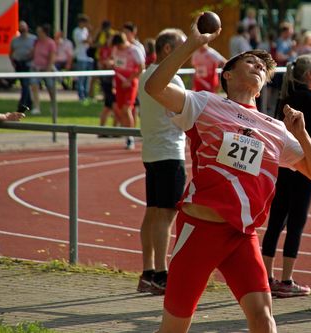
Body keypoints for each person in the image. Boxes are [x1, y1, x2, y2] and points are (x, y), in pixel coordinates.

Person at [144, 13, 311, 333]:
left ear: (263, 87)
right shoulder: (203, 104)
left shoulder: (275, 129)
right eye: (250, 62)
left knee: (263, 319)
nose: (259, 67)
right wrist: (193, 44)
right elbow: (155, 87)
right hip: (200, 230)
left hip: (242, 236)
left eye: (263, 67)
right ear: (227, 74)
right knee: (175, 326)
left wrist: (301, 135)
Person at [262, 54, 311, 298]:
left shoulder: (287, 96)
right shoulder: (310, 100)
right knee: (296, 223)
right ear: (309, 75)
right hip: (303, 168)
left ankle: (267, 277)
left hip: (283, 167)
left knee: (276, 221)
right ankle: (286, 279)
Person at [136, 28, 187, 296]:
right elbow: (183, 115)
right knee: (165, 216)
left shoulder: (145, 75)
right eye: (181, 47)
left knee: (153, 212)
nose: (186, 53)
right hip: (169, 151)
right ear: (167, 50)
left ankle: (147, 273)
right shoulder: (173, 80)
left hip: (152, 152)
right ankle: (161, 273)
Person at [111, 32, 145, 149]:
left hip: (130, 83)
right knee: (120, 110)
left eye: (119, 46)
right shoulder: (115, 49)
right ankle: (127, 135)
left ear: (123, 42)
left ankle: (130, 138)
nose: (118, 48)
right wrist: (115, 83)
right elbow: (116, 65)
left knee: (127, 109)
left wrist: (129, 79)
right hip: (119, 82)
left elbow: (141, 67)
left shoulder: (135, 50)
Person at [9, 21, 36, 112]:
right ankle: (29, 103)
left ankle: (22, 104)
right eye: (21, 27)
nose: (22, 29)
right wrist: (13, 62)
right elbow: (11, 52)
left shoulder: (33, 39)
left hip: (28, 64)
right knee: (24, 85)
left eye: (24, 27)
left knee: (25, 84)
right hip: (18, 64)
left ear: (27, 28)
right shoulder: (15, 40)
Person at [30, 24, 56, 115]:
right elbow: (33, 54)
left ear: (44, 32)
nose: (38, 33)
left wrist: (48, 70)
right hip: (35, 68)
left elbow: (52, 57)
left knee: (51, 88)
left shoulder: (51, 43)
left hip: (46, 69)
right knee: (34, 86)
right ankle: (36, 107)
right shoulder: (36, 42)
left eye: (39, 32)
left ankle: (53, 106)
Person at [72, 14, 93, 103]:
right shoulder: (77, 31)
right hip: (80, 57)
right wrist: (90, 33)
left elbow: (90, 41)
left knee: (87, 78)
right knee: (81, 78)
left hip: (88, 57)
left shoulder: (85, 31)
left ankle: (86, 94)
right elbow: (84, 41)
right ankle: (81, 96)